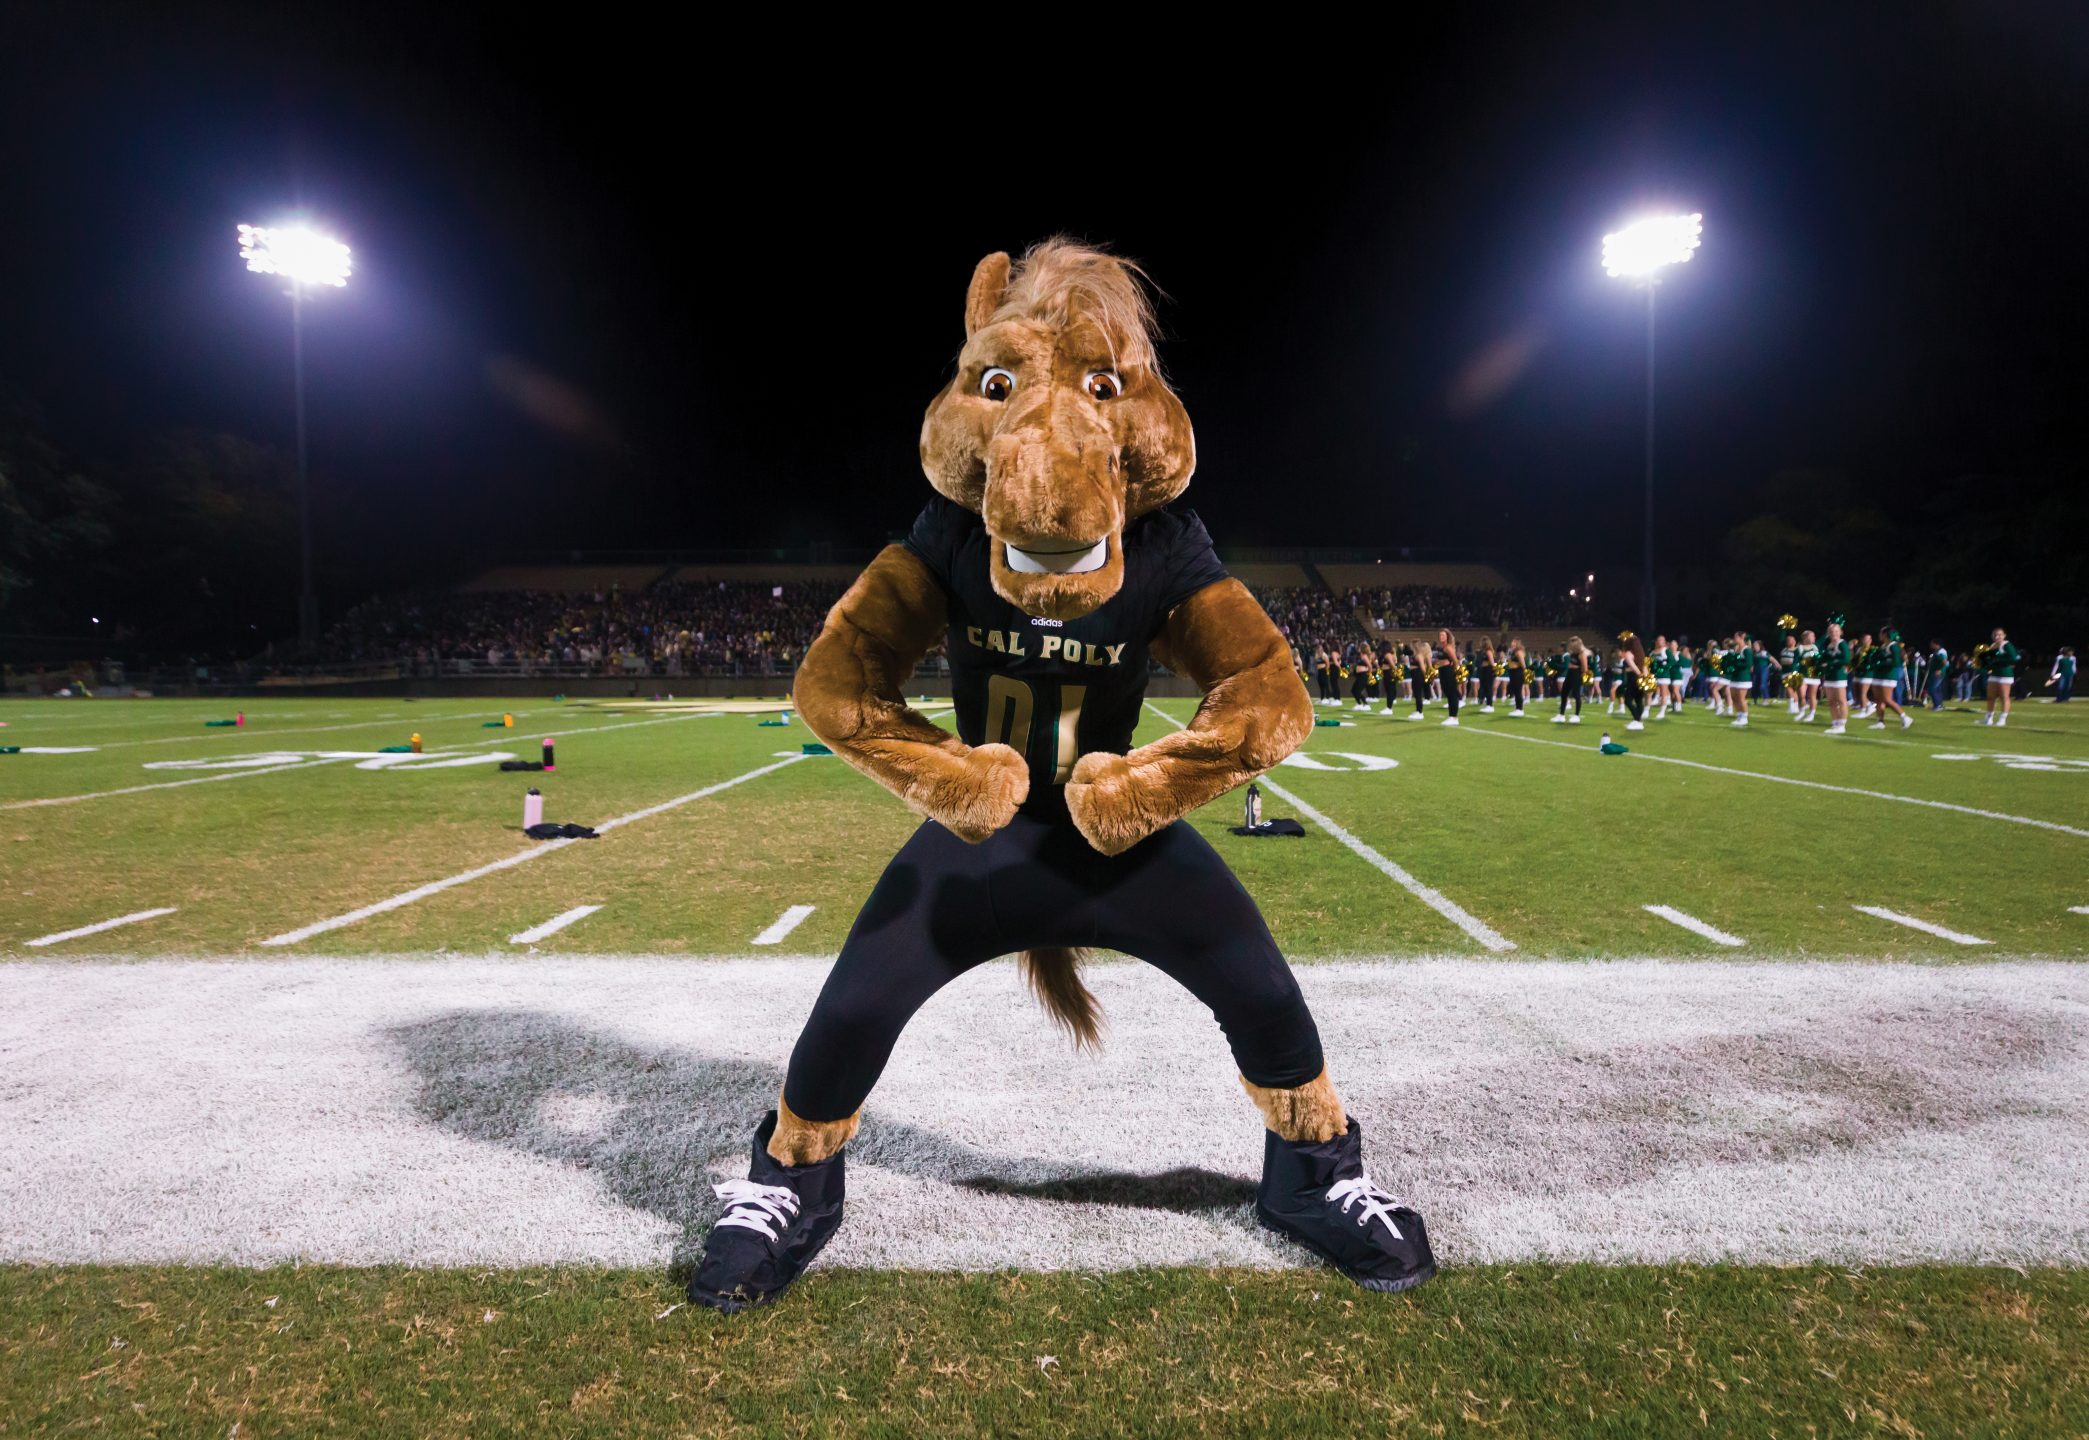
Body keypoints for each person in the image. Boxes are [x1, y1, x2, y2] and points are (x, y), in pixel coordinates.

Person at [1867, 627, 1913, 730]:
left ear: (1885, 634)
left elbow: (1896, 662)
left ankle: (1905, 717)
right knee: (1878, 700)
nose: (1879, 635)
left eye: (1881, 633)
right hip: (1879, 675)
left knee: (1887, 699)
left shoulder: (1894, 646)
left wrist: (1881, 663)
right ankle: (1880, 722)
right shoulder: (1883, 646)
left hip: (1888, 676)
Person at [1978, 628, 2020, 726]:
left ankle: (2002, 719)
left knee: (2004, 697)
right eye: (1995, 635)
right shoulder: (1992, 646)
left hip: (2005, 674)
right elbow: (1991, 660)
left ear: (2004, 635)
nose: (1997, 637)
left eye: (1999, 635)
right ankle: (1988, 719)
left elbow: (2013, 658)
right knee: (1990, 697)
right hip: (1994, 674)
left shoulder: (2007, 645)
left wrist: (1997, 659)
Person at [1817, 619, 1853, 735]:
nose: (1833, 633)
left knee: (1841, 700)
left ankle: (1842, 725)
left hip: (1839, 676)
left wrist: (1830, 663)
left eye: (1836, 631)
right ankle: (1835, 723)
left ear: (1840, 632)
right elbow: (1824, 659)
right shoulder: (1828, 645)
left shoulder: (1842, 644)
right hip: (1829, 676)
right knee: (1831, 701)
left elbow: (1846, 659)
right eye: (1831, 631)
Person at [1552, 636, 1590, 724]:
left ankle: (1577, 715)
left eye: (1573, 645)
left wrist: (1577, 668)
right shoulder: (1573, 653)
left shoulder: (1582, 654)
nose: (1570, 646)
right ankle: (1561, 715)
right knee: (1564, 694)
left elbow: (1585, 669)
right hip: (1569, 674)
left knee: (1577, 695)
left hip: (1577, 676)